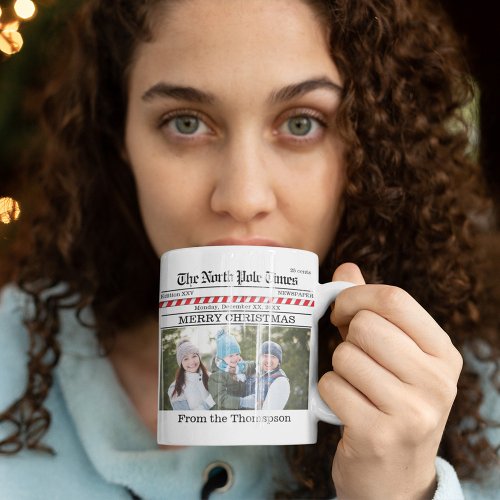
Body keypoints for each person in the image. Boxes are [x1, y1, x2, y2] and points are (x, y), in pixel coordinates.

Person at [0, 0, 498, 498]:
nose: (243, 197)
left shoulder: (474, 390)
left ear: (371, 140)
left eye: (302, 123)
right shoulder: (13, 355)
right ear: (119, 138)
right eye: (186, 123)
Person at [208, 330, 256, 410]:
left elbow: (252, 365)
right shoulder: (216, 376)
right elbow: (221, 398)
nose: (235, 358)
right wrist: (242, 402)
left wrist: (260, 364)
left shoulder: (241, 366)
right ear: (222, 357)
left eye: (237, 354)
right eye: (230, 356)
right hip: (224, 412)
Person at [167, 338, 215, 410]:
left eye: (194, 356)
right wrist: (209, 403)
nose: (191, 362)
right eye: (186, 359)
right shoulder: (175, 388)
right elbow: (184, 418)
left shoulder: (212, 377)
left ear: (199, 357)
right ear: (181, 363)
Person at [257, 341, 290, 410]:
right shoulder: (260, 375)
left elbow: (270, 412)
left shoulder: (280, 381)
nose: (268, 360)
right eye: (265, 356)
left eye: (273, 357)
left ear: (279, 362)